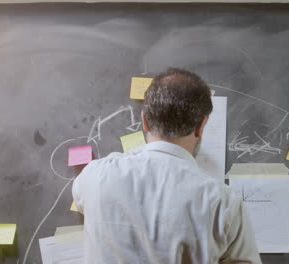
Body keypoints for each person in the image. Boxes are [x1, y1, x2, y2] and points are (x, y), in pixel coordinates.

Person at [72, 68, 262, 264]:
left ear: (144, 120)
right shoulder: (224, 202)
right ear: (200, 126)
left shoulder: (96, 176)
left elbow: (79, 197)